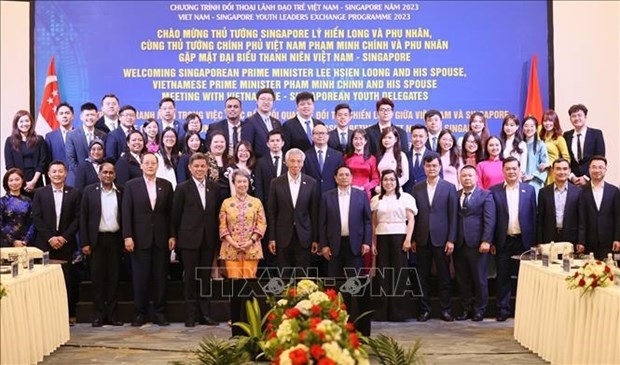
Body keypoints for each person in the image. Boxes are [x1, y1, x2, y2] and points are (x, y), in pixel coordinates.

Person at [122, 153, 174, 326]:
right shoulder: (131, 185)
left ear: (157, 166)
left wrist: (172, 235)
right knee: (140, 278)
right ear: (141, 166)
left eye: (153, 163)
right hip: (139, 239)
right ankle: (139, 313)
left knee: (160, 277)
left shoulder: (166, 185)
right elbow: (126, 212)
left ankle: (159, 313)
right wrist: (127, 236)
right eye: (147, 163)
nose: (150, 165)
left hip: (161, 239)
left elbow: (170, 213)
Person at [171, 152, 220, 327]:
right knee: (191, 278)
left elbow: (216, 215)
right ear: (190, 168)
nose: (200, 169)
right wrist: (174, 237)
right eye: (196, 166)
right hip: (188, 240)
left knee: (204, 278)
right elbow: (175, 216)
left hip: (208, 240)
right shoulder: (182, 188)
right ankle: (191, 316)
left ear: (207, 168)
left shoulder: (214, 188)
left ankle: (205, 314)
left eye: (202, 166)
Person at [32, 161, 81, 323]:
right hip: (45, 244)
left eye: (61, 171)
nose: (57, 174)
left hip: (66, 244)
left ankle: (65, 315)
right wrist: (50, 237)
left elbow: (77, 218)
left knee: (66, 280)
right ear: (48, 173)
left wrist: (64, 237)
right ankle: (46, 316)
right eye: (54, 171)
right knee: (45, 280)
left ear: (66, 173)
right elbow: (36, 218)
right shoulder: (40, 193)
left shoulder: (74, 193)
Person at [489, 156, 536, 322]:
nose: (511, 171)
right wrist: (492, 241)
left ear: (519, 170)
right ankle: (503, 309)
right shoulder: (494, 191)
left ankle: (525, 309)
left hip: (524, 240)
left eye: (514, 168)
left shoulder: (529, 190)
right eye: (507, 169)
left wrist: (535, 242)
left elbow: (533, 216)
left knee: (525, 276)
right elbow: (491, 219)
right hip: (503, 240)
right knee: (503, 276)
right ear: (503, 171)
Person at [412, 155, 458, 322]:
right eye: (428, 166)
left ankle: (445, 309)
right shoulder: (417, 188)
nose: (431, 168)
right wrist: (413, 239)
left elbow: (453, 215)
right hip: (422, 238)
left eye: (434, 166)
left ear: (440, 167)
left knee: (444, 276)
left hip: (442, 239)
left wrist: (451, 239)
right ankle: (425, 310)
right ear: (424, 167)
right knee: (422, 276)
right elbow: (414, 217)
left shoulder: (449, 187)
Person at [79, 161, 123, 327]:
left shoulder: (121, 191)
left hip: (115, 240)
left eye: (111, 173)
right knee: (97, 280)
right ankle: (98, 315)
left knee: (114, 279)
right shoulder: (89, 191)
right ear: (99, 174)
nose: (107, 175)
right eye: (104, 172)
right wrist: (84, 242)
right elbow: (83, 218)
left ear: (115, 175)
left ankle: (112, 315)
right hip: (96, 240)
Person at [371, 169, 416, 321]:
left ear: (396, 182)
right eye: (385, 180)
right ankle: (382, 311)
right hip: (381, 236)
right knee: (383, 274)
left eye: (392, 180)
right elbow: (373, 223)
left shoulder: (405, 198)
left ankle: (399, 312)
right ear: (381, 182)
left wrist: (408, 239)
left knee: (399, 274)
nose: (388, 183)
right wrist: (373, 243)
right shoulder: (376, 199)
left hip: (400, 236)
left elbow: (411, 220)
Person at [267, 148, 320, 275]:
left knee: (303, 275)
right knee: (284, 274)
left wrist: (315, 239)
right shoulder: (276, 183)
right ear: (286, 163)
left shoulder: (312, 183)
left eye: (299, 161)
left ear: (302, 163)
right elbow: (272, 212)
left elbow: (314, 213)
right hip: (283, 235)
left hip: (304, 236)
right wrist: (272, 238)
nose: (295, 165)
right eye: (292, 161)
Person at [454, 165, 495, 321]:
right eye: (464, 176)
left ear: (477, 178)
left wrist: (486, 240)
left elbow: (489, 220)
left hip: (478, 243)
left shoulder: (485, 195)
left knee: (479, 278)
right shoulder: (456, 194)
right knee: (462, 279)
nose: (467, 178)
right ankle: (466, 309)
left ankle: (480, 309)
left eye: (470, 175)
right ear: (460, 178)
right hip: (459, 243)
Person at [319, 165, 371, 277]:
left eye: (347, 174)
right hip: (334, 245)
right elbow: (322, 223)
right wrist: (324, 245)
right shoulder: (326, 197)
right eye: (341, 175)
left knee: (355, 282)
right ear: (335, 178)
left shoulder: (361, 195)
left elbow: (367, 221)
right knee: (334, 281)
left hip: (356, 245)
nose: (344, 177)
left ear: (352, 177)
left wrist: (366, 242)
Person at [219, 169, 266, 278]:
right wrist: (233, 243)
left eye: (245, 181)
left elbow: (262, 224)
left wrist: (250, 241)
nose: (242, 184)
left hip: (252, 248)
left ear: (249, 183)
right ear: (234, 183)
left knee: (249, 282)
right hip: (231, 249)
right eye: (239, 182)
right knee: (234, 283)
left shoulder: (256, 202)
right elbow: (222, 226)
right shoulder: (226, 203)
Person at [577, 156, 620, 259]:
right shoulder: (581, 191)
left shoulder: (614, 191)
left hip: (608, 242)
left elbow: (618, 217)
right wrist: (580, 241)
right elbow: (580, 218)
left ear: (605, 169)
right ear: (589, 169)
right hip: (588, 242)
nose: (597, 170)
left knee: (608, 272)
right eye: (594, 167)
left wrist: (617, 239)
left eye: (600, 167)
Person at [536, 158, 581, 246]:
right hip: (549, 238)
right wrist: (539, 241)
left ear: (569, 171)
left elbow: (581, 219)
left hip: (571, 238)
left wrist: (581, 241)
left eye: (565, 169)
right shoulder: (543, 192)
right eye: (558, 169)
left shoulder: (578, 192)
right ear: (553, 171)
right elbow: (540, 219)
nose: (561, 172)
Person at [4, 110, 48, 195]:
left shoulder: (39, 140)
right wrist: (20, 182)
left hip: (36, 181)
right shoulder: (10, 141)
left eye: (27, 121)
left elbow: (42, 162)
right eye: (21, 121)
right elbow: (9, 165)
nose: (24, 124)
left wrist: (33, 182)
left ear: (31, 123)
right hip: (17, 183)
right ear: (16, 123)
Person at [563, 104, 606, 186]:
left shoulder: (596, 134)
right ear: (570, 119)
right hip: (572, 181)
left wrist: (586, 177)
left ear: (585, 117)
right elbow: (565, 157)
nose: (577, 118)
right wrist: (571, 176)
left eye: (579, 115)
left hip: (592, 179)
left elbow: (600, 157)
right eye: (573, 116)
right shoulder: (566, 135)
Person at [66, 102, 107, 180]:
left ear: (97, 116)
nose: (90, 118)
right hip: (77, 178)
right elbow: (71, 159)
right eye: (87, 115)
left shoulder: (103, 135)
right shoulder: (71, 135)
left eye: (92, 115)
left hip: (98, 178)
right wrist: (82, 175)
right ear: (81, 117)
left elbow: (104, 157)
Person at [241, 88, 281, 158]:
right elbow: (247, 147)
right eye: (263, 99)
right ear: (257, 101)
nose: (266, 102)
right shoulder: (250, 121)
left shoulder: (277, 123)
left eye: (269, 100)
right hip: (257, 164)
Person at [303, 124, 344, 194]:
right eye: (317, 133)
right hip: (311, 195)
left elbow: (340, 177)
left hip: (332, 195)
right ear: (312, 137)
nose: (320, 136)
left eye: (323, 133)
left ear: (328, 136)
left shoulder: (337, 155)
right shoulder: (305, 155)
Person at [0, 168, 34, 247]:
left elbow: (32, 222)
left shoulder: (28, 201)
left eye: (17, 179)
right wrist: (13, 241)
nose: (14, 183)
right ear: (6, 183)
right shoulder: (2, 201)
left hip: (24, 243)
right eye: (11, 180)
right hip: (5, 242)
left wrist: (26, 240)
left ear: (22, 181)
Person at [344, 128, 379, 200]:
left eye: (361, 139)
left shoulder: (371, 158)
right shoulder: (346, 157)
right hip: (348, 191)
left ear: (365, 141)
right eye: (356, 139)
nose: (358, 141)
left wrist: (364, 187)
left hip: (365, 193)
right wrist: (351, 186)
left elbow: (375, 179)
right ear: (352, 141)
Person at [46, 102, 75, 183]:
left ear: (72, 116)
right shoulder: (50, 137)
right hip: (57, 178)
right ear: (57, 117)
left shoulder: (79, 135)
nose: (64, 116)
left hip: (75, 179)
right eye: (61, 113)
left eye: (67, 113)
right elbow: (48, 160)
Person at [539, 109, 570, 185]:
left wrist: (549, 164)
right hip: (540, 172)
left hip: (552, 173)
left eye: (550, 121)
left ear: (555, 122)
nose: (547, 123)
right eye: (545, 121)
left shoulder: (559, 138)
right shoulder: (540, 136)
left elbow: (567, 159)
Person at [375, 127, 409, 194]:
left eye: (389, 137)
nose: (386, 140)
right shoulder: (379, 156)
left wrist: (391, 187)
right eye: (384, 138)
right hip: (381, 191)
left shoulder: (401, 155)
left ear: (396, 139)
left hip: (396, 192)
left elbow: (405, 177)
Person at [521, 116, 548, 195]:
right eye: (526, 126)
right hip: (519, 181)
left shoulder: (540, 145)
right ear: (522, 128)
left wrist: (532, 176)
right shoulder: (519, 145)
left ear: (536, 129)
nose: (529, 128)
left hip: (535, 182)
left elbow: (544, 165)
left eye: (532, 126)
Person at [205, 130, 231, 200]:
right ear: (210, 144)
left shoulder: (231, 160)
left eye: (222, 142)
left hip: (229, 202)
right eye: (216, 142)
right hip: (210, 199)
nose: (219, 144)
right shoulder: (204, 159)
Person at [407, 124, 433, 192]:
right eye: (415, 136)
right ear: (411, 137)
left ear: (426, 138)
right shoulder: (405, 156)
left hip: (427, 195)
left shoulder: (434, 156)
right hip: (408, 196)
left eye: (421, 136)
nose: (417, 139)